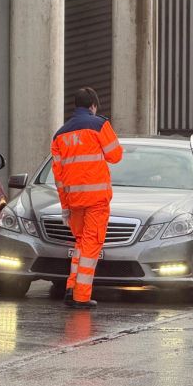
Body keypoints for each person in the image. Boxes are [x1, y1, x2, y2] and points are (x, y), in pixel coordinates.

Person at [51, 87, 122, 309]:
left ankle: (72, 288)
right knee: (91, 244)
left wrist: (65, 207)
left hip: (74, 200)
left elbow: (59, 176)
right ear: (93, 106)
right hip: (96, 200)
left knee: (81, 242)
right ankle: (81, 296)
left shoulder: (60, 134)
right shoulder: (99, 125)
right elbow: (115, 156)